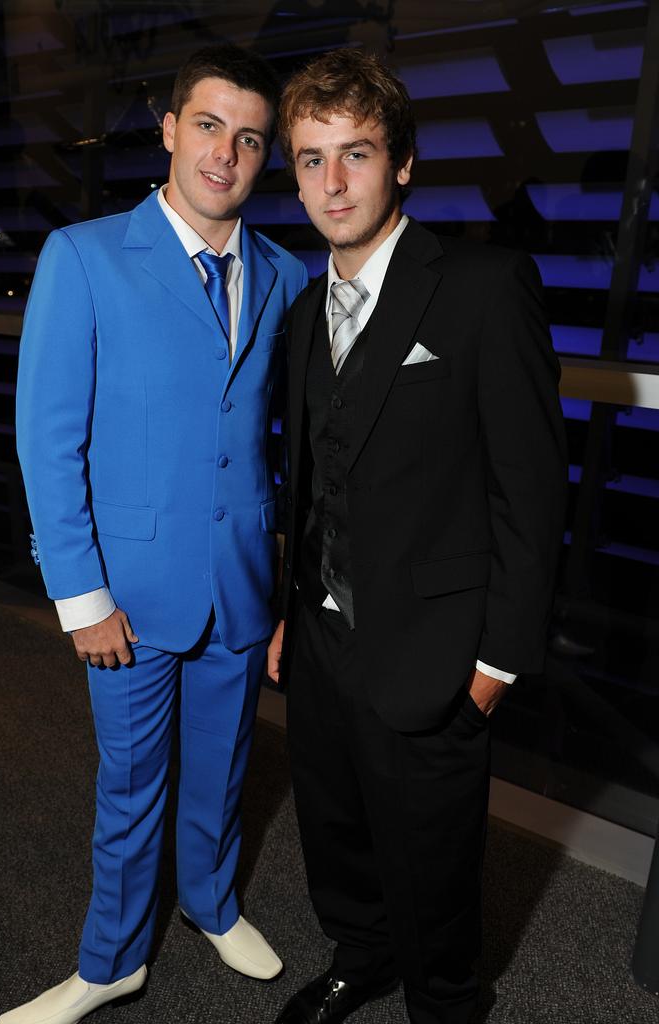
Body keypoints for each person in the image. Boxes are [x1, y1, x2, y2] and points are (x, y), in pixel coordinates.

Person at [4, 44, 308, 1024]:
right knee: (131, 788)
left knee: (222, 768)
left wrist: (287, 590)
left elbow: (287, 443)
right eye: (210, 126)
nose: (227, 152)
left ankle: (213, 905)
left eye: (250, 137)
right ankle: (110, 960)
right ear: (171, 130)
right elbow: (49, 442)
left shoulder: (283, 275)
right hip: (126, 595)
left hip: (241, 582)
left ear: (264, 157)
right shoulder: (84, 256)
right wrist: (81, 597)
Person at [268, 49, 567, 1024]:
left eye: (356, 153)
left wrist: (499, 661)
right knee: (338, 828)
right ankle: (362, 956)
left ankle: (444, 1001)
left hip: (439, 648)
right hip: (320, 638)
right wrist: (289, 615)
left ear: (403, 162)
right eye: (311, 159)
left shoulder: (484, 286)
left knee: (435, 855)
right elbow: (310, 477)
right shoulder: (305, 313)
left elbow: (531, 489)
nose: (333, 182)